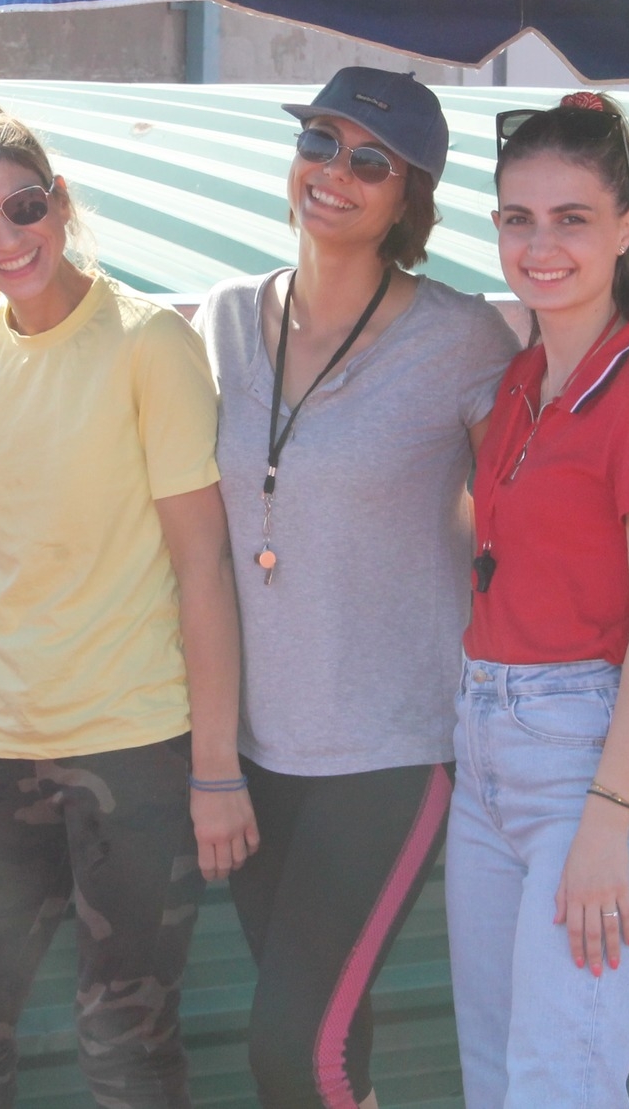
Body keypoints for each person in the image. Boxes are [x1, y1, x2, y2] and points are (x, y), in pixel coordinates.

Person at [0, 86, 257, 1109]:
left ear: (61, 200)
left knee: (122, 1039)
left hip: (136, 746)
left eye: (23, 208)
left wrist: (215, 767)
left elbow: (203, 565)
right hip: (1, 748)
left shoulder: (148, 343)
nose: (6, 240)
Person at [192, 68, 520, 1109]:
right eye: (319, 142)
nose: (335, 172)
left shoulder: (462, 338)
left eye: (370, 161)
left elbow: (536, 491)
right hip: (252, 753)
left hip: (390, 747)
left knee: (293, 1055)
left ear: (408, 196)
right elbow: (157, 493)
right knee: (334, 1043)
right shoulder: (221, 318)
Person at [447, 90, 629, 1108]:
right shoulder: (520, 380)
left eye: (572, 218)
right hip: (484, 753)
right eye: (518, 218)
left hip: (588, 768)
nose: (540, 244)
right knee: (495, 1082)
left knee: (558, 1087)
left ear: (626, 228)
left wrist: (607, 820)